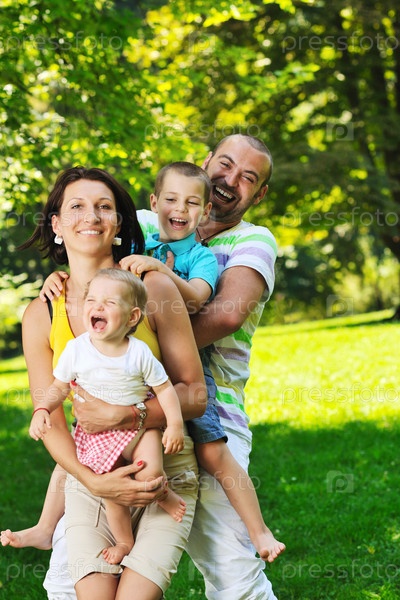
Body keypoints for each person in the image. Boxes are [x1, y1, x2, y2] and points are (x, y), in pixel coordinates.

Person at [8, 134, 281, 599]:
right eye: (225, 164)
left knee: (232, 573)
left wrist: (124, 384)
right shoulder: (149, 227)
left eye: (248, 177)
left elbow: (225, 317)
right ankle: (51, 527)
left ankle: (257, 537)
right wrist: (60, 286)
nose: (93, 216)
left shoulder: (236, 248)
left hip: (200, 418)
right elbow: (49, 407)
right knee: (67, 583)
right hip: (98, 447)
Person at [1, 166, 205, 600]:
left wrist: (125, 415)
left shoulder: (153, 289)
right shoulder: (40, 314)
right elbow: (51, 418)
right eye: (76, 206)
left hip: (163, 469)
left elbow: (194, 392)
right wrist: (92, 481)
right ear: (56, 225)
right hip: (92, 473)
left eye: (104, 207)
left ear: (118, 224)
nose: (91, 216)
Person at [121, 161, 285, 563]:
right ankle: (118, 537)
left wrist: (161, 272)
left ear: (205, 210)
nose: (180, 209)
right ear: (154, 202)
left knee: (212, 450)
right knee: (111, 451)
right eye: (171, 200)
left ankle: (259, 530)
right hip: (134, 370)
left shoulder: (202, 256)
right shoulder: (137, 238)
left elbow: (196, 297)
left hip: (189, 368)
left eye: (192, 203)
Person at [29, 268, 187, 565]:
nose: (97, 307)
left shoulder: (138, 352)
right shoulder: (76, 350)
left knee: (150, 474)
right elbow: (59, 387)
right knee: (114, 491)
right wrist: (42, 410)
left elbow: (165, 389)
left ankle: (164, 496)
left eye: (110, 302)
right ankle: (125, 541)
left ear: (132, 317)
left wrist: (175, 425)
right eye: (91, 300)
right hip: (99, 434)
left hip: (140, 429)